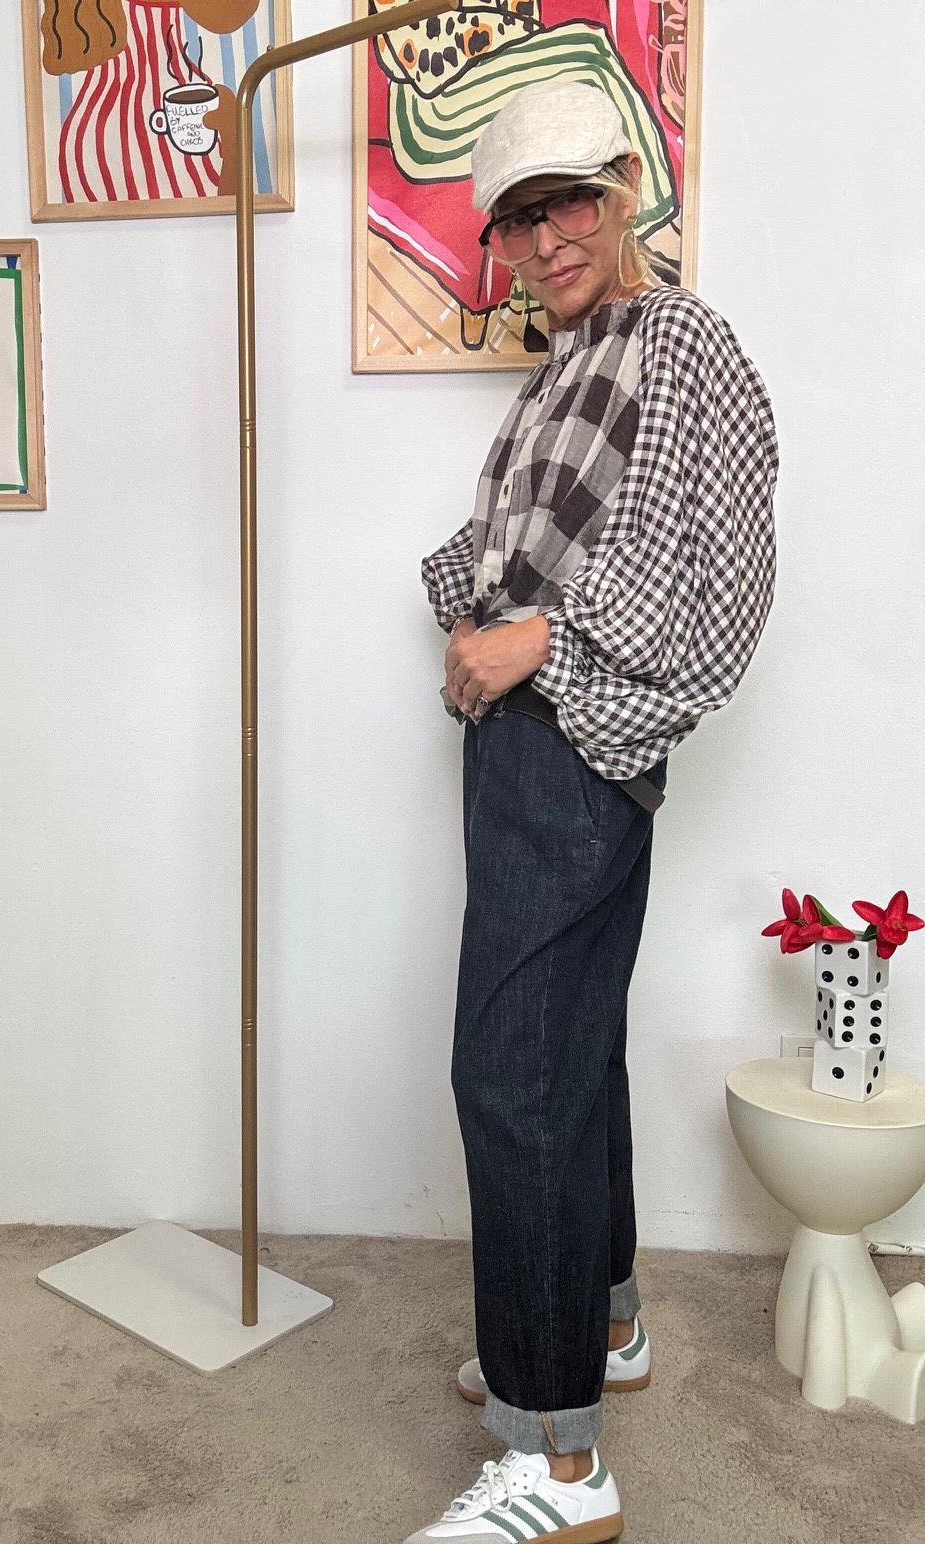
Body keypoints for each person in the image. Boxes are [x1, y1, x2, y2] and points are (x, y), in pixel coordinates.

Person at [405, 79, 779, 1543]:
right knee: (568, 1057)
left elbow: (711, 590)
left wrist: (536, 640)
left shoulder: (676, 343)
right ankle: (599, 1330)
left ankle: (556, 1464)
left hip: (571, 748)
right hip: (530, 746)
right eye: (517, 219)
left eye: (567, 200)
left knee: (510, 1075)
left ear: (625, 186)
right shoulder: (574, 361)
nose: (546, 238)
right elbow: (508, 545)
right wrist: (475, 615)